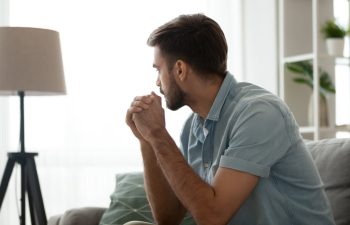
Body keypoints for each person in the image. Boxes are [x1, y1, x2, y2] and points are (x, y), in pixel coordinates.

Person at [125, 13, 335, 225]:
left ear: (180, 69)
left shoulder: (259, 114)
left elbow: (212, 217)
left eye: (158, 70)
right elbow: (168, 219)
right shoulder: (192, 128)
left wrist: (158, 134)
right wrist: (147, 141)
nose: (156, 82)